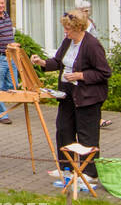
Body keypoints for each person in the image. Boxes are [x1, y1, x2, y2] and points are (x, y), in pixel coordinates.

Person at [30, 10, 111, 186]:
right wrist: (42, 63)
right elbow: (58, 61)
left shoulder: (92, 45)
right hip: (67, 94)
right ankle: (66, 169)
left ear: (79, 28)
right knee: (63, 129)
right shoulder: (68, 41)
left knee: (86, 135)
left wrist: (81, 75)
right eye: (65, 29)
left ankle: (89, 173)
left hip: (88, 96)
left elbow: (104, 72)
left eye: (69, 30)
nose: (65, 33)